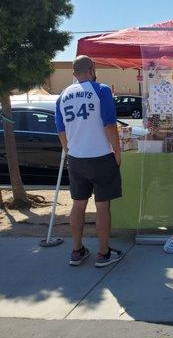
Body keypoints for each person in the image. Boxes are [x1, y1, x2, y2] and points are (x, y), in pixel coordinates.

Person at [55, 55, 124, 268]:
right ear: (92, 69)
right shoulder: (101, 90)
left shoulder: (63, 95)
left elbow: (61, 130)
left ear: (73, 73)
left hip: (76, 158)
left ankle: (77, 250)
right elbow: (110, 125)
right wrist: (117, 151)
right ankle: (103, 254)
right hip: (101, 156)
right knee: (102, 206)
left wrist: (69, 149)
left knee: (78, 204)